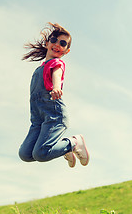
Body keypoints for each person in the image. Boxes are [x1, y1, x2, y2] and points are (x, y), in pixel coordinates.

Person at [18, 22, 89, 168]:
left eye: (63, 43)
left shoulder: (56, 63)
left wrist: (56, 87)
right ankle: (61, 148)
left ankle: (73, 143)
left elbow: (57, 74)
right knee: (25, 154)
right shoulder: (40, 68)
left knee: (41, 154)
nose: (57, 44)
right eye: (54, 40)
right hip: (38, 119)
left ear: (66, 51)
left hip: (54, 115)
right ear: (47, 43)